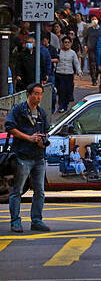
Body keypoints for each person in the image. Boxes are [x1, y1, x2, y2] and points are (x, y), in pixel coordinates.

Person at [6, 83, 50, 233]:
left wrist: (42, 141)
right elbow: (10, 127)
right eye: (35, 93)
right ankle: (15, 222)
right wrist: (28, 138)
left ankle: (37, 220)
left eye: (40, 94)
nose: (38, 97)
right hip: (22, 156)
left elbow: (46, 131)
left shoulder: (42, 113)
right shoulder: (19, 110)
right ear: (28, 94)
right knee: (17, 190)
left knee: (40, 191)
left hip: (38, 157)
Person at [54, 37, 82, 113]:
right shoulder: (58, 51)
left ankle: (65, 105)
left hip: (69, 74)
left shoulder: (72, 53)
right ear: (62, 43)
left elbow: (76, 62)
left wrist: (79, 71)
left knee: (68, 91)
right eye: (65, 42)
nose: (67, 44)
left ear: (71, 43)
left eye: (68, 42)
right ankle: (61, 106)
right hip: (60, 74)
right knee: (61, 90)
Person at [84, 17, 101, 86]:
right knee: (92, 64)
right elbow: (86, 38)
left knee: (98, 64)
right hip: (91, 49)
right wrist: (86, 45)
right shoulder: (89, 30)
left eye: (95, 19)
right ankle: (93, 78)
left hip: (99, 49)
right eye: (92, 20)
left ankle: (96, 76)